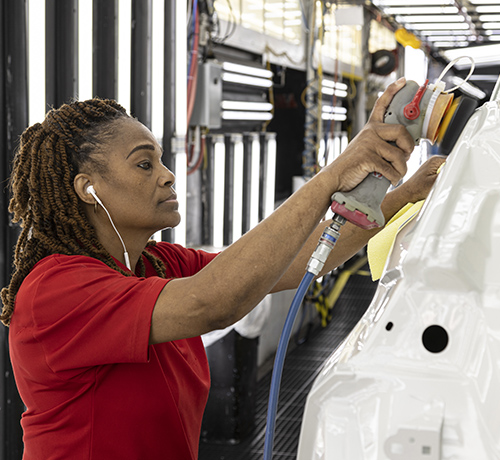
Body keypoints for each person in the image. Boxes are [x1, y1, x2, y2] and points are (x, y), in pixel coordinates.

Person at [1, 78, 444, 459]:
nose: (168, 174)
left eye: (160, 158)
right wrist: (333, 176)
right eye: (143, 163)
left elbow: (288, 263)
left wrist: (402, 195)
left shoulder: (157, 264)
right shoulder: (55, 292)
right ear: (88, 188)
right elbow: (214, 301)